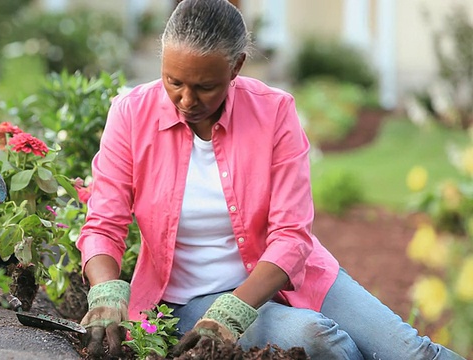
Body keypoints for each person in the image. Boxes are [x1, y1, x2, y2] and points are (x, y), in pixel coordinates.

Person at [76, 0, 465, 359]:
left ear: (236, 66)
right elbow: (104, 223)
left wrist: (236, 310)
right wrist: (106, 293)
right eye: (173, 81)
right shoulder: (130, 115)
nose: (186, 100)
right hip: (191, 298)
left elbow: (292, 235)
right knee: (320, 340)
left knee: (412, 352)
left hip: (294, 275)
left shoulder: (274, 113)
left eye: (204, 87)